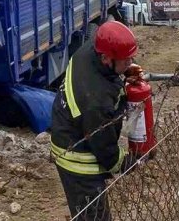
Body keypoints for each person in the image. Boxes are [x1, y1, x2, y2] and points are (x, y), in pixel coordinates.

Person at [50, 21, 137, 221]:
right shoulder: (96, 101)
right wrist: (126, 162)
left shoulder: (91, 49)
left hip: (68, 129)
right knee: (94, 216)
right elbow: (104, 147)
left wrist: (122, 76)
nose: (130, 63)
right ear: (106, 58)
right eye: (125, 60)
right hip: (77, 161)